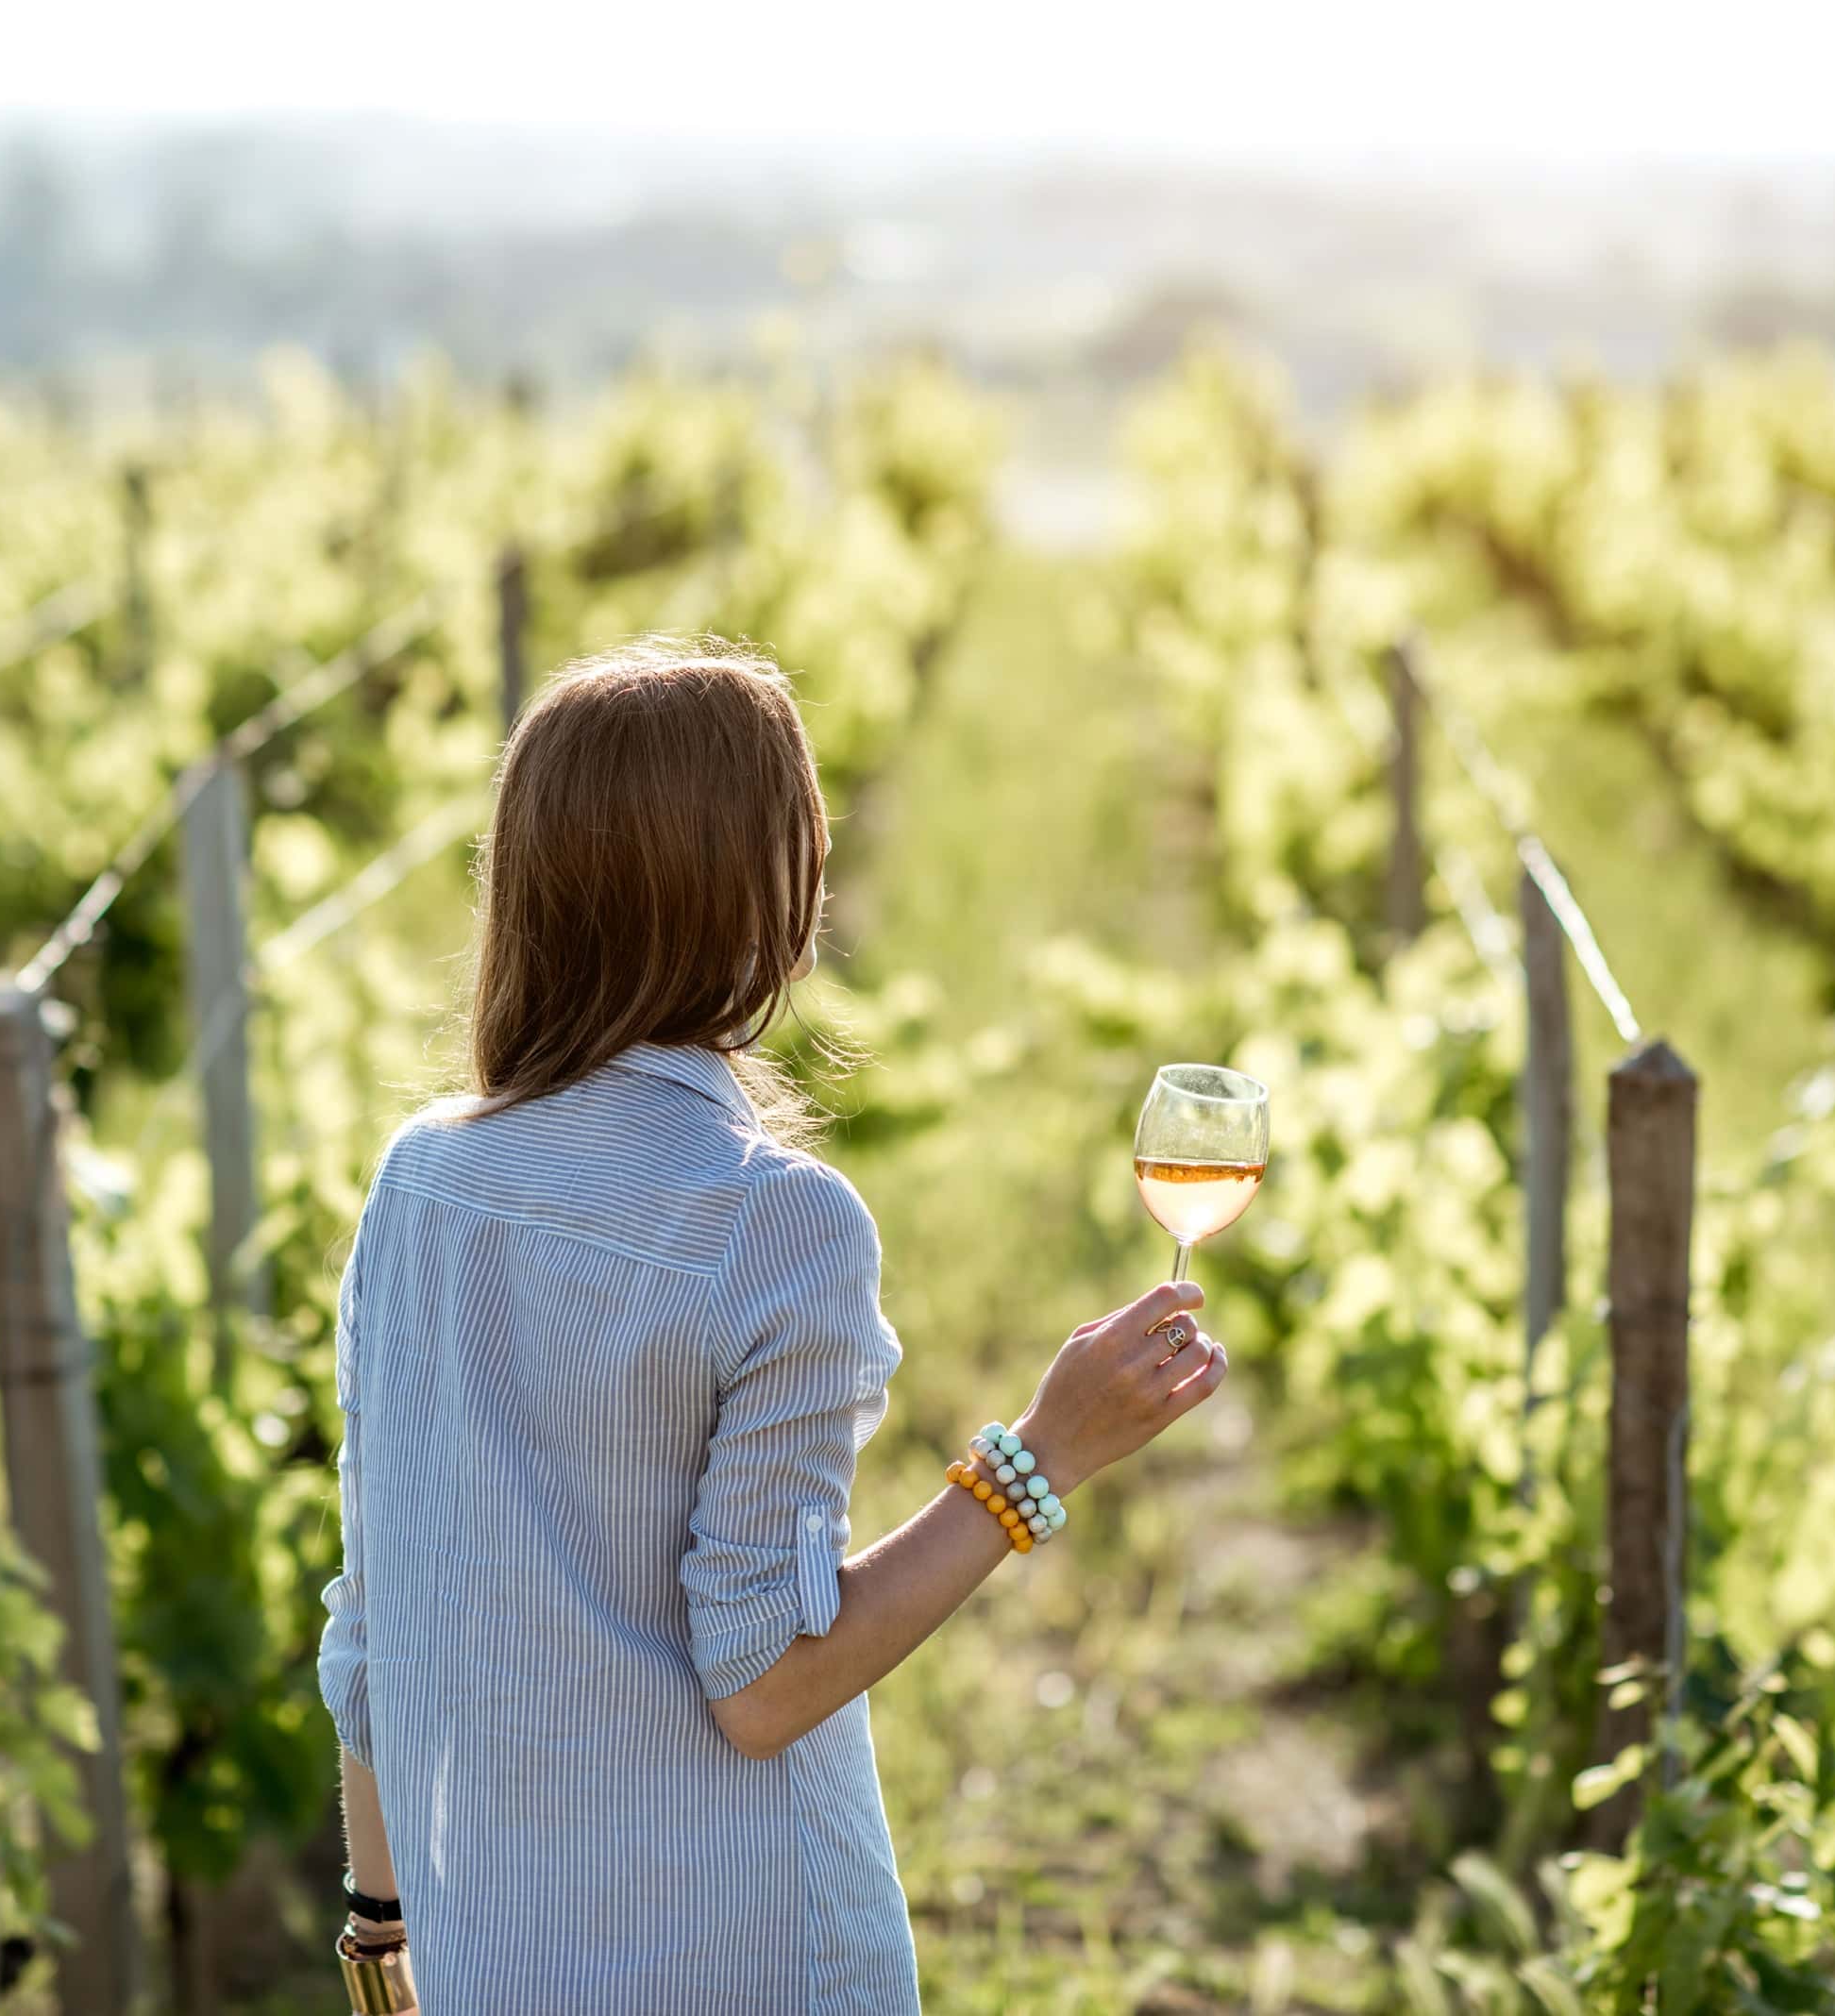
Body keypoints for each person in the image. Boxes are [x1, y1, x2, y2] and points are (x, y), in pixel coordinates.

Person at [320, 638, 1228, 2013]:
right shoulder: (778, 1224)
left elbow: (374, 1627)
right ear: (768, 905)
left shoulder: (418, 1186)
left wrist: (382, 1948)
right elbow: (766, 1684)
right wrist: (1041, 1459)